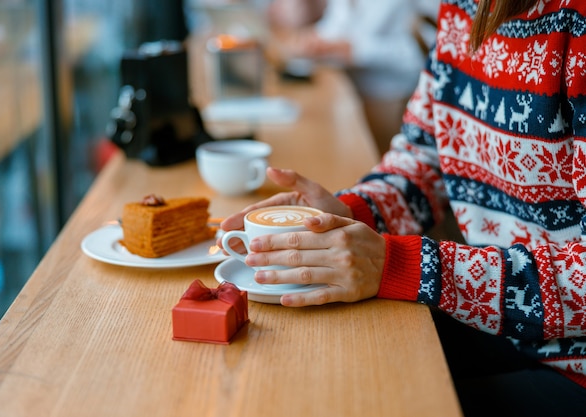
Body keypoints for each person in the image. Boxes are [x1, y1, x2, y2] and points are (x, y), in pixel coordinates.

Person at [219, 0, 586, 415]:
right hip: (509, 328)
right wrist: (350, 213)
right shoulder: (464, 8)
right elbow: (426, 156)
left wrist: (404, 266)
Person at [268, 0, 440, 155]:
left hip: (392, 103)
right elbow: (337, 26)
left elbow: (430, 50)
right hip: (348, 96)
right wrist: (315, 41)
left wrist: (354, 49)